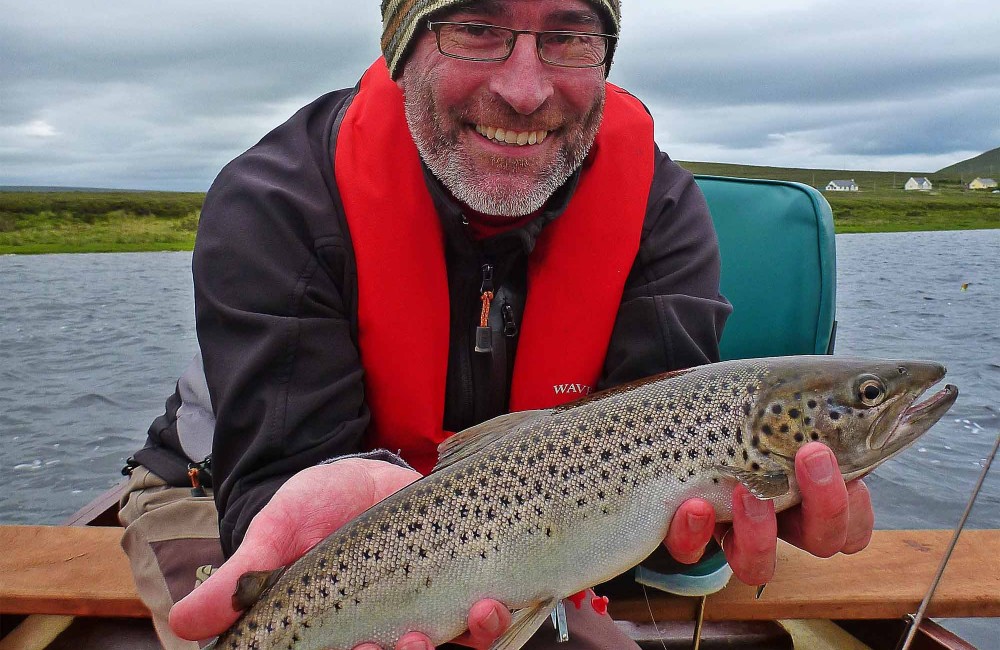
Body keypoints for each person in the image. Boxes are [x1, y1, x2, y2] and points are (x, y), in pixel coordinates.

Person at [120, 0, 876, 648]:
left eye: (569, 35)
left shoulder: (659, 212)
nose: (524, 89)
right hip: (227, 495)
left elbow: (658, 507)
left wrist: (729, 522)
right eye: (477, 27)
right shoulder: (273, 203)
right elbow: (273, 497)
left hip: (515, 528)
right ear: (402, 44)